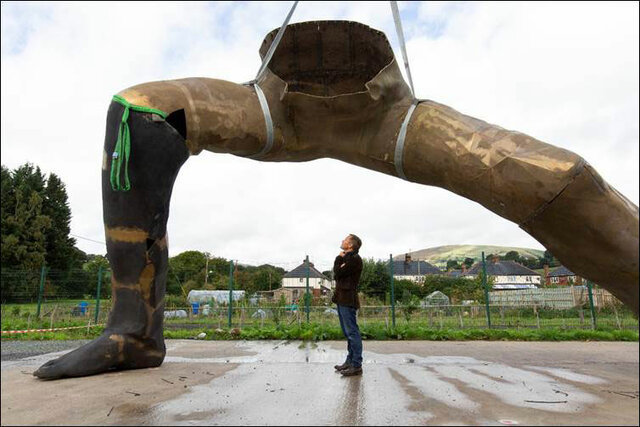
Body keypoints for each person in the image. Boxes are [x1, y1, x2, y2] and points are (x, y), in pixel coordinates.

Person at [332, 234, 364, 376]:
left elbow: (338, 272)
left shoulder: (355, 259)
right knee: (348, 333)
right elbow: (337, 275)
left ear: (350, 245)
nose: (342, 241)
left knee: (352, 332)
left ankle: (356, 365)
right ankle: (349, 361)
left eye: (345, 239)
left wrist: (339, 259)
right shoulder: (348, 258)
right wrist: (341, 262)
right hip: (341, 299)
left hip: (348, 300)